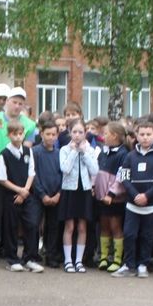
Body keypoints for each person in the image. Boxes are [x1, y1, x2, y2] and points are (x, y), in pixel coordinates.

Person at [0, 87, 37, 264]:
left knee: (13, 212)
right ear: (7, 101)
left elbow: (26, 147)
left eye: (21, 103)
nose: (17, 106)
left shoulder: (29, 124)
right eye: (14, 102)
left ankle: (9, 249)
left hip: (17, 176)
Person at [113, 120, 153, 278]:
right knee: (129, 234)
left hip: (152, 205)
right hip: (132, 204)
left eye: (148, 134)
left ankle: (143, 264)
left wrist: (146, 196)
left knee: (147, 236)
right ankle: (129, 264)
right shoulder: (130, 156)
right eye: (142, 134)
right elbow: (124, 177)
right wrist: (135, 195)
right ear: (136, 136)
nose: (145, 138)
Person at [0, 119, 43, 272]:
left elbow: (31, 173)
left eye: (21, 134)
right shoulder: (4, 154)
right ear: (9, 135)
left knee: (32, 224)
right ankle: (12, 259)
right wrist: (18, 190)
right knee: (11, 226)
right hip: (11, 196)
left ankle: (29, 258)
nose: (18, 137)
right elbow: (1, 178)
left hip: (27, 195)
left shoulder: (29, 152)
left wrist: (25, 190)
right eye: (15, 134)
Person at [57, 117, 99, 272]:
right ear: (69, 132)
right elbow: (65, 169)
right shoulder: (64, 150)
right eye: (74, 132)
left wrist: (85, 153)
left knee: (82, 226)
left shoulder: (90, 150)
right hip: (69, 190)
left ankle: (79, 261)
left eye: (80, 132)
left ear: (85, 133)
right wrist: (75, 151)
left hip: (85, 191)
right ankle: (68, 260)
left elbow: (94, 170)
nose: (77, 135)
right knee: (69, 226)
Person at [94, 121, 129, 272]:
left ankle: (117, 258)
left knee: (115, 226)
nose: (103, 136)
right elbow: (97, 172)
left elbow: (121, 177)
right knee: (104, 226)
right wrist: (94, 187)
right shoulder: (104, 151)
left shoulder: (123, 154)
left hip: (114, 199)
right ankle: (104, 257)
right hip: (101, 198)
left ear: (114, 136)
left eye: (106, 133)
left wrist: (111, 194)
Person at [31, 119, 64, 269]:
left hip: (55, 195)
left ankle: (51, 255)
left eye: (54, 134)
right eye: (48, 134)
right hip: (39, 196)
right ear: (41, 134)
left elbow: (64, 175)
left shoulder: (60, 153)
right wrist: (42, 194)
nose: (51, 137)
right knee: (34, 223)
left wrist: (58, 194)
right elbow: (33, 175)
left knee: (53, 226)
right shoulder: (35, 152)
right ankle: (32, 253)